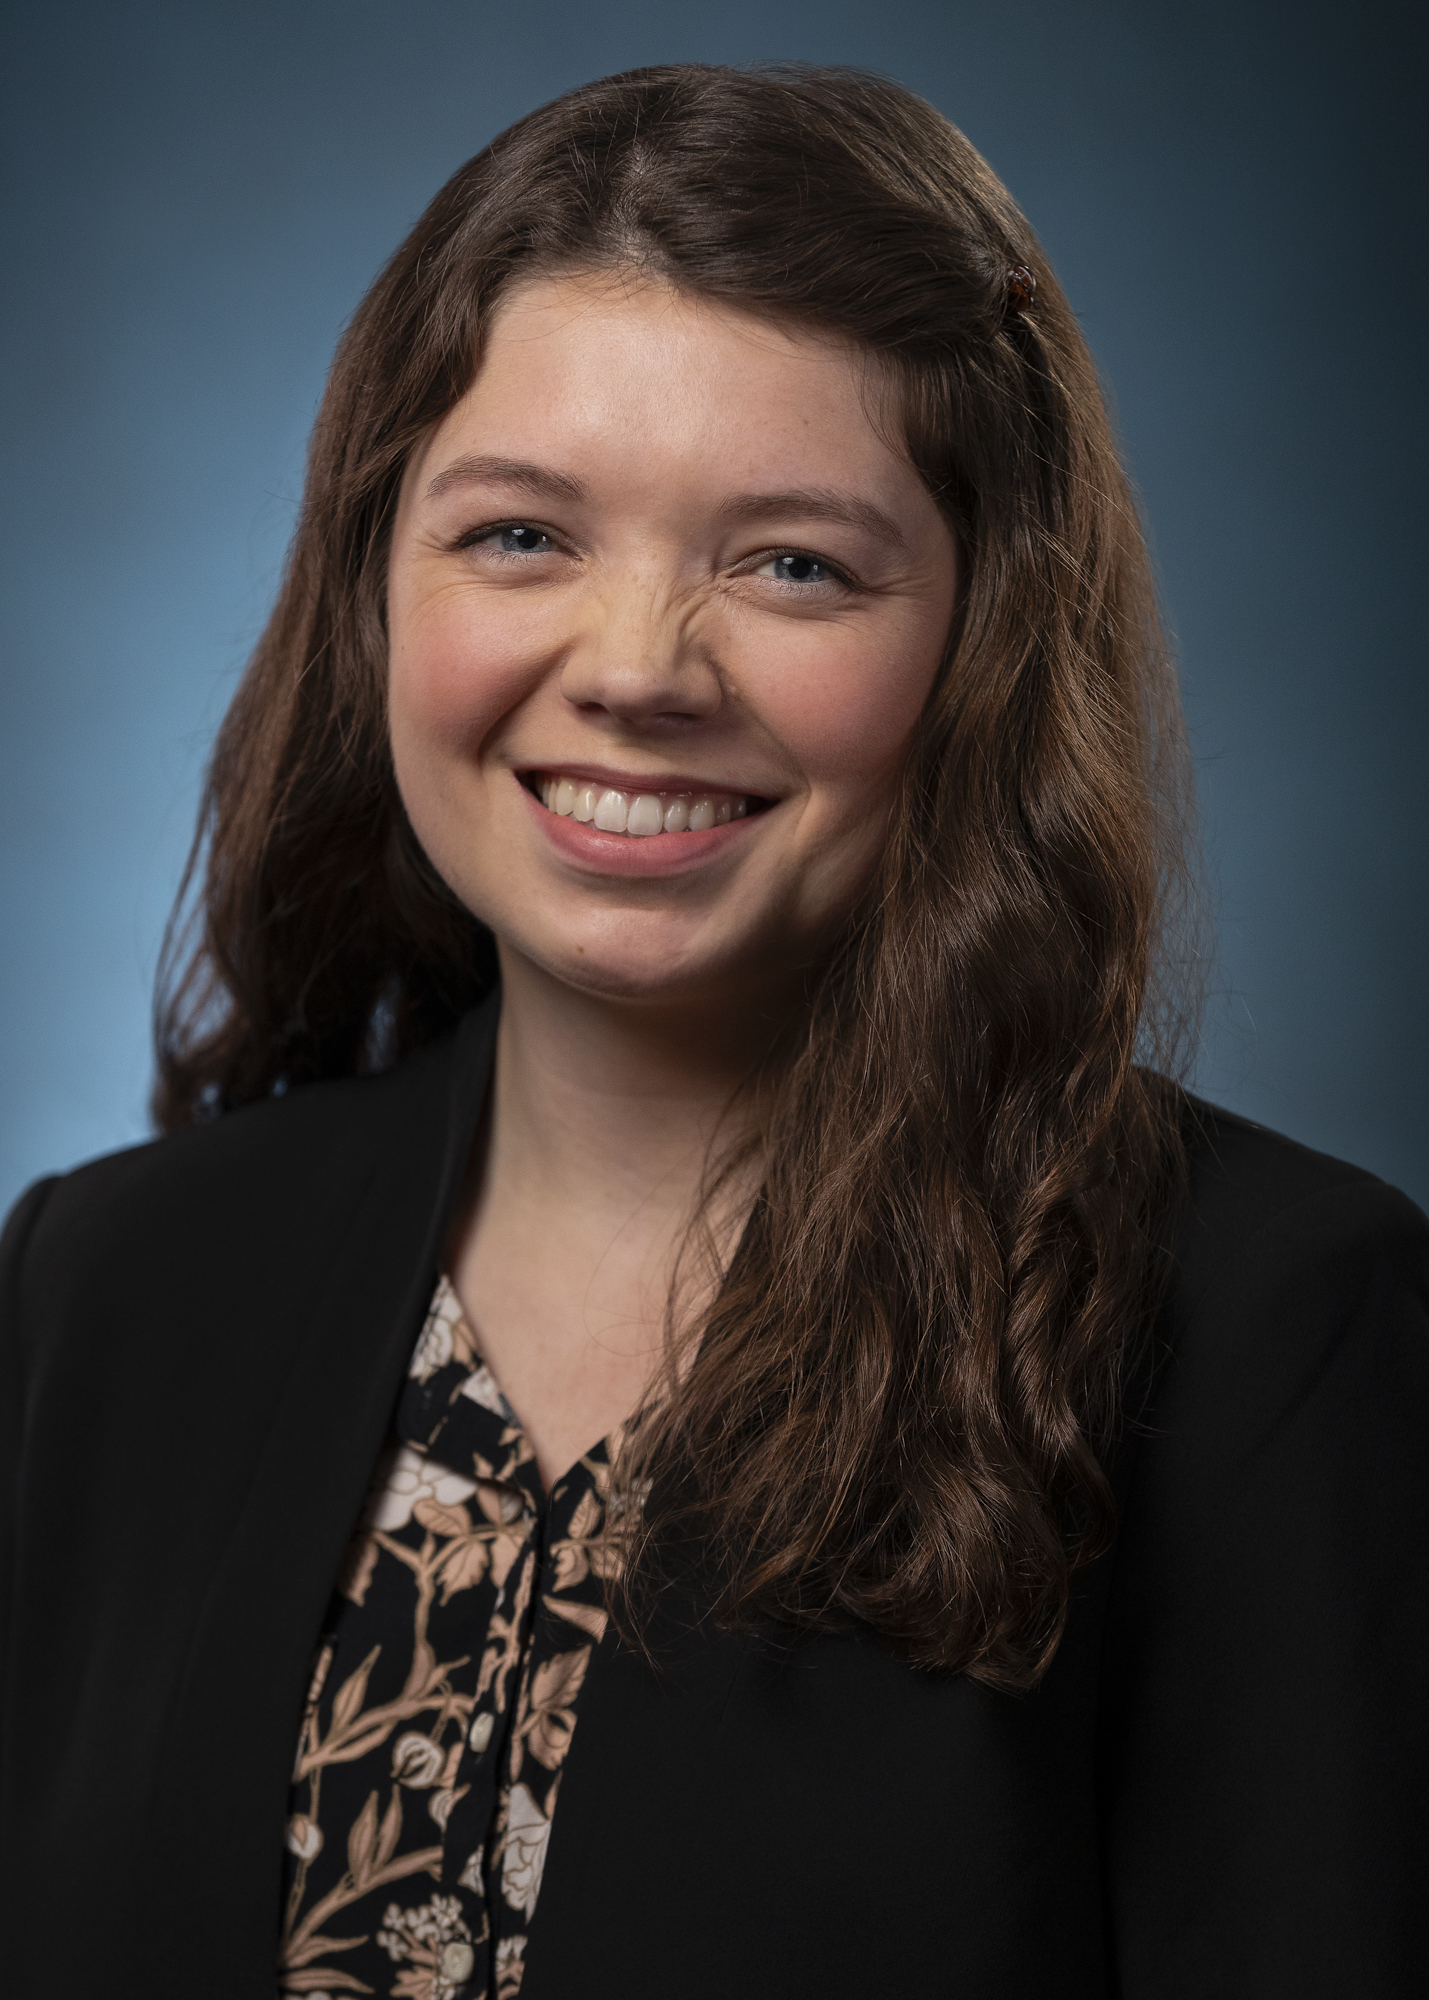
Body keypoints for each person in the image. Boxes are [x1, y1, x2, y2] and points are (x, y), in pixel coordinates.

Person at [1, 61, 1424, 2000]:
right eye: (520, 535)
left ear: (981, 639)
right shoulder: (104, 1288)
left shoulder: (1267, 1330)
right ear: (371, 582)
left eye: (791, 564)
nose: (639, 668)